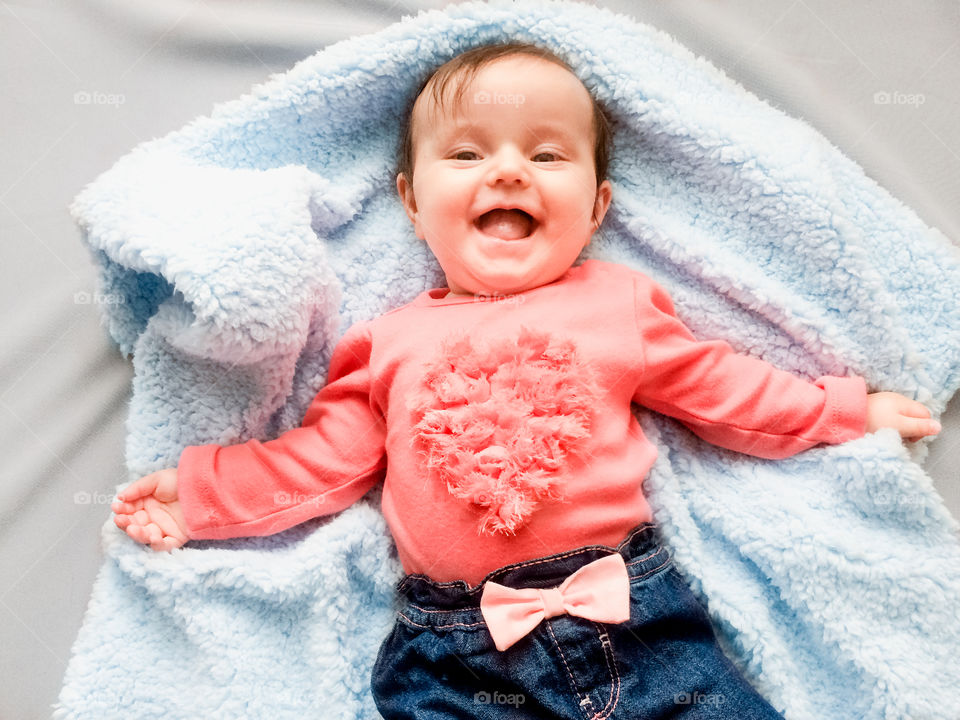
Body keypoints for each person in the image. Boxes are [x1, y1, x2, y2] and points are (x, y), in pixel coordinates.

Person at [111, 42, 941, 719]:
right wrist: (201, 495)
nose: (509, 171)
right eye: (468, 153)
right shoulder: (385, 345)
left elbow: (728, 393)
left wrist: (846, 408)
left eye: (547, 154)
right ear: (410, 199)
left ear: (597, 206)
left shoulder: (619, 307)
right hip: (455, 655)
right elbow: (317, 463)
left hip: (633, 621)